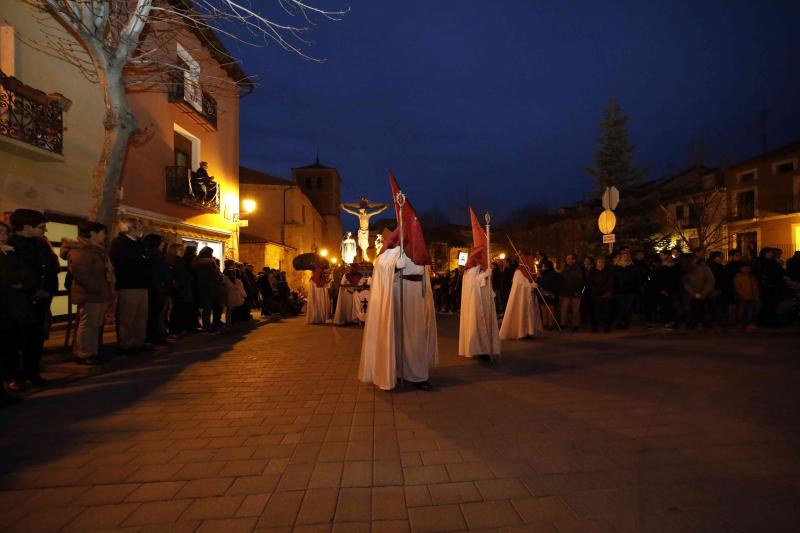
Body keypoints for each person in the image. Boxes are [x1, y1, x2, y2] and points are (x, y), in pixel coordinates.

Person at [359, 172, 437, 391]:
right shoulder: (392, 252)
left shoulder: (419, 251)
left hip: (415, 300)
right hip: (397, 299)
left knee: (415, 339)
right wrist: (394, 264)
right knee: (397, 337)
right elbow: (380, 267)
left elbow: (424, 276)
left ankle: (418, 375)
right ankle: (393, 371)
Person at [7, 209, 60, 389]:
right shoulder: (11, 245)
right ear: (27, 227)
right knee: (16, 340)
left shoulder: (41, 244)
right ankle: (15, 376)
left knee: (36, 338)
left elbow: (51, 268)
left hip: (42, 300)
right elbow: (13, 274)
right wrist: (32, 289)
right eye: (41, 227)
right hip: (19, 301)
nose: (44, 230)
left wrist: (48, 289)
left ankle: (33, 372)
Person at [60, 221, 114, 365]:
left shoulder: (95, 250)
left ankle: (92, 352)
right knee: (88, 324)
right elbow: (82, 275)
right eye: (103, 233)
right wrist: (96, 288)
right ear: (92, 233)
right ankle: (83, 353)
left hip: (98, 293)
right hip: (90, 294)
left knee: (94, 325)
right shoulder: (80, 251)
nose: (105, 236)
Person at [458, 208, 500, 362]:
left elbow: (482, 283)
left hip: (485, 300)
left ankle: (487, 348)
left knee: (486, 325)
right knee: (478, 325)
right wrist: (485, 275)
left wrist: (487, 276)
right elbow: (475, 284)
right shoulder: (471, 270)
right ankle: (480, 349)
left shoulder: (478, 268)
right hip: (476, 304)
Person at [109, 217, 152, 355]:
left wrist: (142, 260)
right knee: (127, 317)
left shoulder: (139, 243)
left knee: (141, 316)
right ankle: (126, 344)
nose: (140, 230)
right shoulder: (119, 243)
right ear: (130, 228)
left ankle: (139, 342)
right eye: (138, 227)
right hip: (128, 284)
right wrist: (141, 260)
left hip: (142, 284)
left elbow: (146, 260)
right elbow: (123, 262)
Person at [0, 221, 29, 405]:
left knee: (8, 349)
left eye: (5, 232)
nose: (3, 235)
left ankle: (4, 388)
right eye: (0, 232)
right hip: (4, 304)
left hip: (9, 308)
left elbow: (21, 276)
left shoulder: (8, 252)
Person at [499, 252, 543, 339]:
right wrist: (530, 286)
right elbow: (520, 286)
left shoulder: (529, 272)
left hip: (529, 298)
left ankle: (529, 331)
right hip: (522, 299)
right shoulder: (519, 272)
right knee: (522, 314)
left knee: (529, 314)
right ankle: (522, 332)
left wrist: (534, 284)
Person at [143, 234, 170, 345]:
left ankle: (156, 335)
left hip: (158, 287)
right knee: (154, 314)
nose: (163, 243)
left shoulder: (157, 254)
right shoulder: (153, 255)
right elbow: (156, 272)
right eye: (162, 242)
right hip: (155, 288)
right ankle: (153, 337)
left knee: (157, 314)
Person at [682, 250, 715, 329]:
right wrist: (694, 293)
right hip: (692, 295)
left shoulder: (704, 268)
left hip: (705, 294)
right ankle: (695, 323)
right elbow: (686, 284)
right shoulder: (686, 271)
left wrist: (703, 293)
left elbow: (710, 281)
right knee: (694, 309)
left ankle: (708, 323)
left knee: (706, 308)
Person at [165, 243, 194, 336]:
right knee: (177, 310)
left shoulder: (180, 260)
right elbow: (175, 275)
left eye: (183, 250)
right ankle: (175, 330)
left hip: (183, 288)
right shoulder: (173, 261)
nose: (183, 252)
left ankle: (180, 328)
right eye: (181, 250)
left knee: (182, 309)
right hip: (178, 289)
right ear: (174, 250)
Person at [192, 246, 222, 334]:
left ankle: (206, 326)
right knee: (216, 307)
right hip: (211, 286)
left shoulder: (196, 262)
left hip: (201, 286)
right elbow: (216, 274)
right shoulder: (210, 262)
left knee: (206, 308)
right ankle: (212, 326)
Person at [613, 249, 641, 329]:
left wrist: (635, 288)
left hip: (630, 290)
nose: (625, 257)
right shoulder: (616, 267)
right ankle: (620, 322)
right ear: (621, 257)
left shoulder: (632, 267)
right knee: (620, 307)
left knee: (628, 307)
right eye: (623, 256)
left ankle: (627, 322)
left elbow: (636, 279)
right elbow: (614, 279)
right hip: (619, 290)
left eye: (626, 256)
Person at [587, 256, 614, 333]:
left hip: (606, 294)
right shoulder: (592, 271)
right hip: (595, 294)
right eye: (599, 262)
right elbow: (590, 282)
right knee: (596, 311)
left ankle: (607, 326)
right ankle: (595, 326)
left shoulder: (608, 271)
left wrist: (603, 290)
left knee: (606, 311)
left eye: (602, 262)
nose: (600, 263)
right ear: (596, 263)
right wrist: (596, 290)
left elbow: (610, 282)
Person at [558, 253, 584, 331]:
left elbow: (579, 281)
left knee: (575, 310)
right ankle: (563, 324)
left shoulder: (578, 269)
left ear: (574, 260)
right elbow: (562, 279)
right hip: (565, 293)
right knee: (564, 309)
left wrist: (577, 290)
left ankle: (576, 324)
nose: (568, 260)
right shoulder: (565, 269)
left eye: (570, 259)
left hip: (575, 292)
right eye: (567, 259)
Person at [734, 262, 760, 330]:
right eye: (744, 268)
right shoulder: (738, 277)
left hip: (751, 296)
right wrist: (742, 294)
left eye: (748, 268)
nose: (746, 269)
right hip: (742, 297)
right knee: (741, 310)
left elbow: (755, 287)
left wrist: (755, 295)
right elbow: (737, 288)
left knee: (750, 311)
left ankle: (749, 323)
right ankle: (740, 323)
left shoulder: (752, 277)